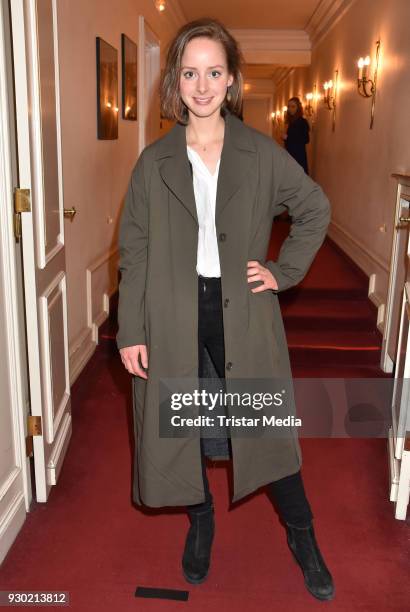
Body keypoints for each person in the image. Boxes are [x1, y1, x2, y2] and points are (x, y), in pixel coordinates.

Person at [116, 18, 334, 602]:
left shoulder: (261, 153)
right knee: (182, 425)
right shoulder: (154, 161)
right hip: (174, 308)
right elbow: (133, 248)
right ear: (176, 81)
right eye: (190, 72)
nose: (203, 85)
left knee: (264, 426)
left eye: (214, 71)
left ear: (231, 78)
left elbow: (313, 207)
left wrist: (283, 272)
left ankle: (303, 534)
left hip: (242, 309)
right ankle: (201, 518)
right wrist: (130, 329)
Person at [282, 97, 310, 174]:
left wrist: (288, 137)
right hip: (290, 155)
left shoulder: (302, 122)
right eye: (289, 106)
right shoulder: (291, 122)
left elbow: (306, 139)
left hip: (298, 155)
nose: (290, 109)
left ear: (298, 108)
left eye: (293, 106)